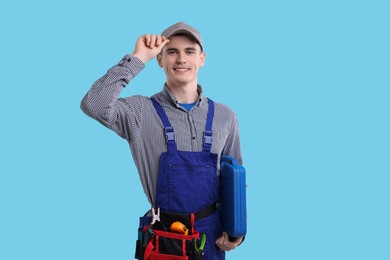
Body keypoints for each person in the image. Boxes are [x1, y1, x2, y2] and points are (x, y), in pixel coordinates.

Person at [81, 21, 244, 259]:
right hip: (163, 240)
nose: (181, 59)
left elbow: (236, 181)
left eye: (189, 51)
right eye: (172, 52)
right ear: (160, 59)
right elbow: (93, 104)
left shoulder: (225, 116)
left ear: (202, 58)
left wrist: (237, 230)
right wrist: (137, 58)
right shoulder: (140, 112)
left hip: (210, 239)